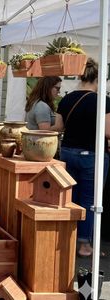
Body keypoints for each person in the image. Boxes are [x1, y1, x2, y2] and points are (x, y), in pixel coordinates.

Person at [55, 58, 110, 257]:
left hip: (68, 152)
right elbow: (108, 131)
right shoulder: (102, 101)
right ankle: (84, 245)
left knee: (71, 197)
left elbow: (59, 127)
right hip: (92, 155)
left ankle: (69, 240)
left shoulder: (67, 99)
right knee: (90, 200)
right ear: (98, 78)